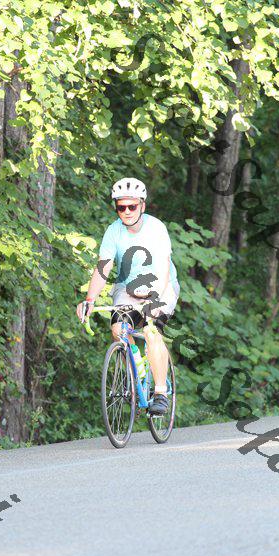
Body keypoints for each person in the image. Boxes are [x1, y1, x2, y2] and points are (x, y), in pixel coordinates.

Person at [76, 177, 180, 415]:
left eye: (132, 206)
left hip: (161, 284)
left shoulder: (156, 228)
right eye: (121, 207)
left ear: (142, 205)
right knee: (118, 329)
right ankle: (139, 371)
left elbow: (163, 266)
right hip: (128, 288)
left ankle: (160, 393)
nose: (127, 212)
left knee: (151, 331)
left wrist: (155, 298)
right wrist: (89, 300)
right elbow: (103, 267)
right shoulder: (113, 231)